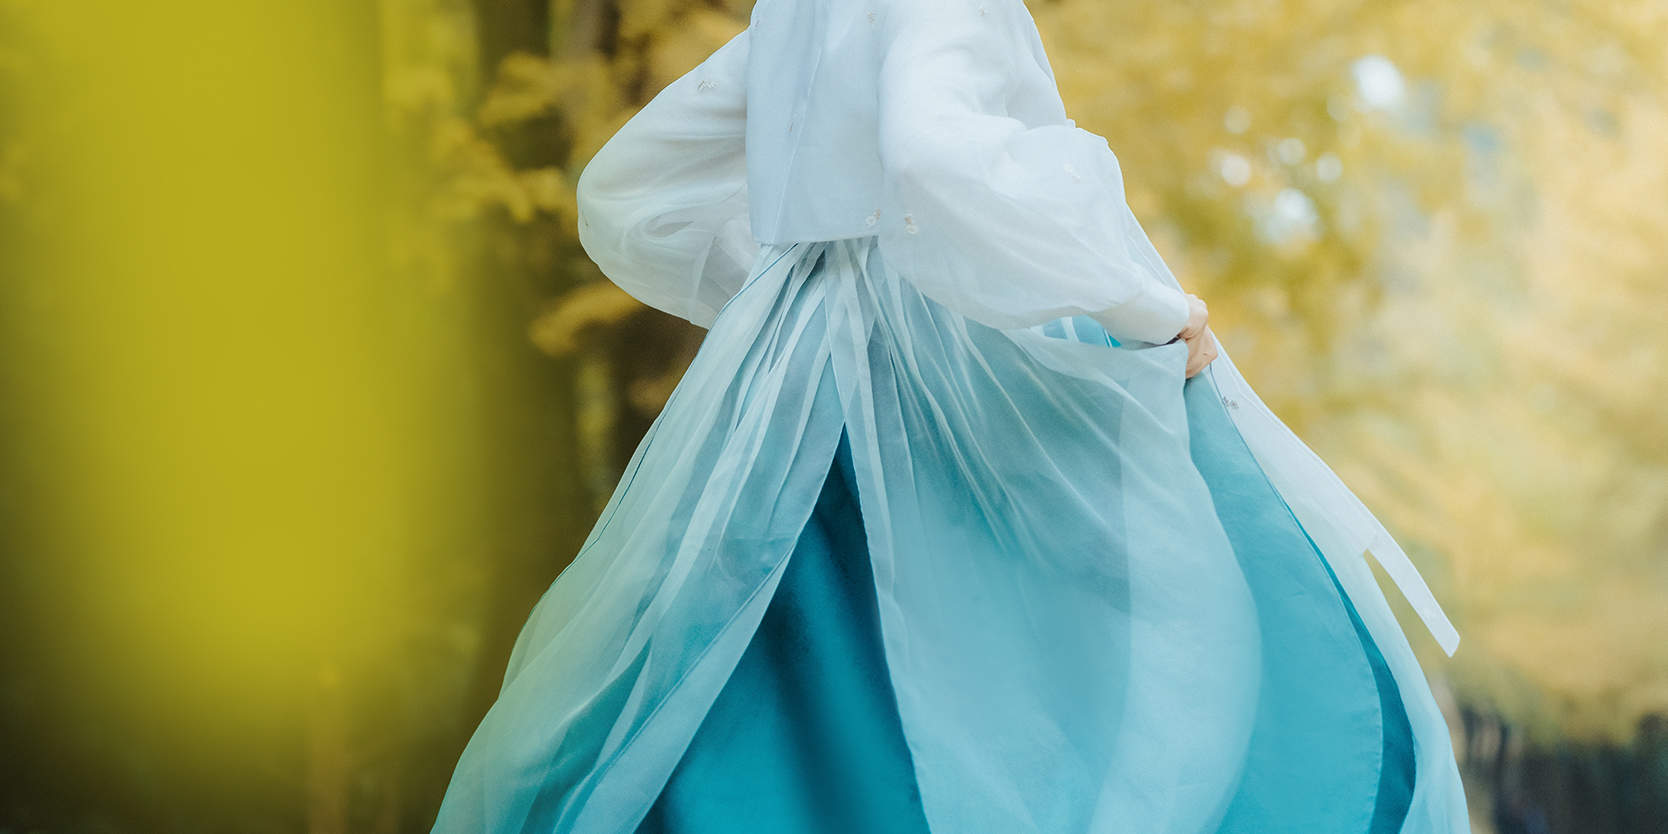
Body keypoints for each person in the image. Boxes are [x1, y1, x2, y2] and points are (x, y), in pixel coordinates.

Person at [431, 0, 1471, 830]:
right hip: (946, 369)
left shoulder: (797, 14)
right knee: (1056, 656)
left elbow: (625, 184)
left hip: (788, 386)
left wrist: (779, 290)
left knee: (771, 667)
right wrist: (1148, 308)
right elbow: (936, 153)